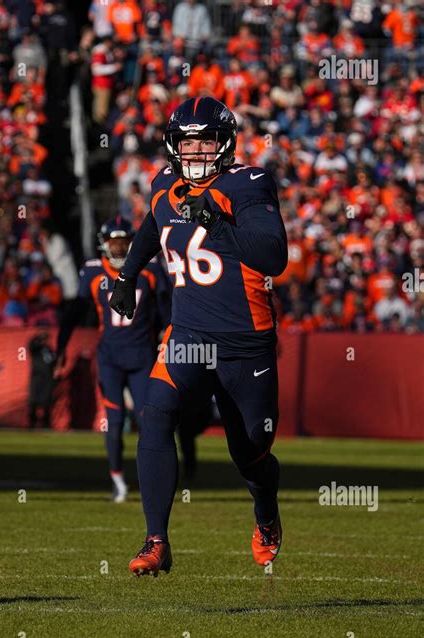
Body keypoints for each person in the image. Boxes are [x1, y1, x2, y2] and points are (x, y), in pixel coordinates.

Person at [110, 96, 288, 575]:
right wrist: (128, 275)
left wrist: (219, 221)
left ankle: (265, 510)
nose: (196, 151)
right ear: (173, 145)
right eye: (187, 142)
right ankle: (155, 541)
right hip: (188, 331)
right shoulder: (165, 184)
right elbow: (152, 226)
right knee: (156, 412)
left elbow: (273, 257)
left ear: (224, 142)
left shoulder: (247, 183)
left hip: (245, 342)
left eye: (205, 140)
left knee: (249, 453)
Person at [55, 215, 170, 502]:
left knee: (150, 423)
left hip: (143, 355)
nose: (118, 248)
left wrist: (170, 338)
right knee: (115, 421)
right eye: (113, 242)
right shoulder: (94, 273)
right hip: (111, 357)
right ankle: (118, 481)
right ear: (104, 244)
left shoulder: (151, 270)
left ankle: (152, 481)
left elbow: (169, 308)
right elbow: (74, 313)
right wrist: (60, 347)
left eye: (123, 242)